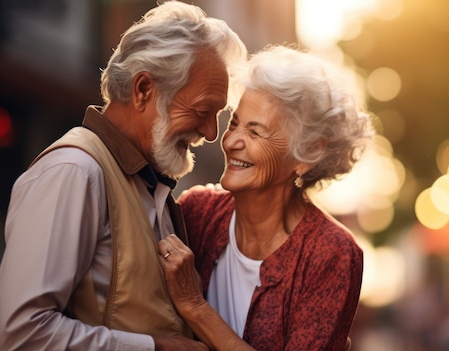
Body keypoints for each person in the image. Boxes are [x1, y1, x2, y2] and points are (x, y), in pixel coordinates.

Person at [0, 1, 247, 350]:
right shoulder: (74, 171)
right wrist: (157, 347)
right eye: (202, 110)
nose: (210, 133)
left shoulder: (145, 180)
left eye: (217, 115)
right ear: (144, 89)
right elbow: (21, 334)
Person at [158, 44, 374, 350]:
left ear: (308, 153)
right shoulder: (198, 213)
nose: (231, 141)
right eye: (234, 123)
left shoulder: (331, 254)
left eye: (255, 132)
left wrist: (195, 306)